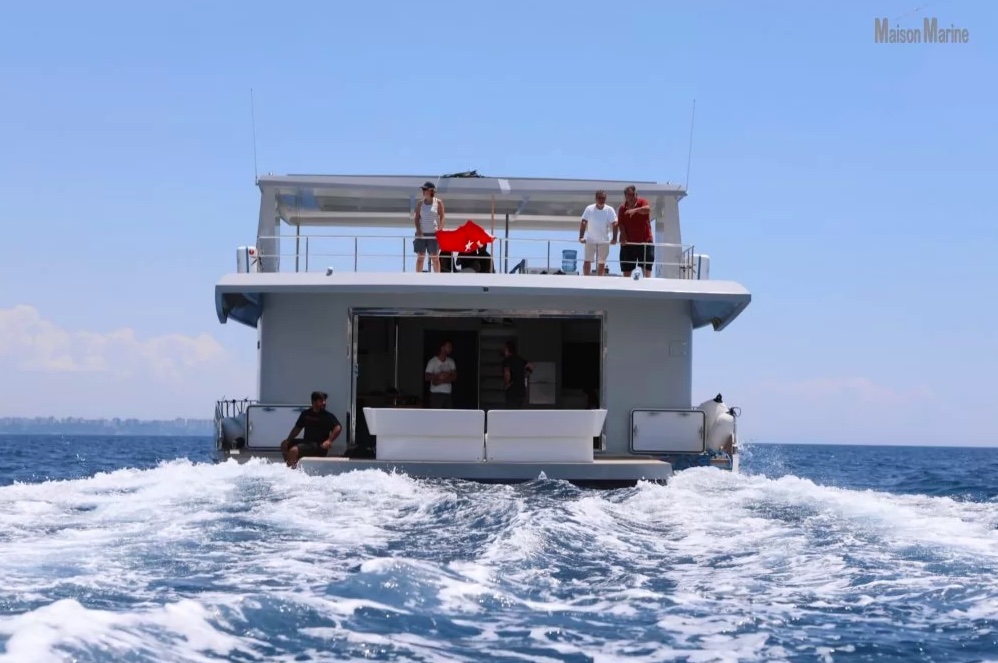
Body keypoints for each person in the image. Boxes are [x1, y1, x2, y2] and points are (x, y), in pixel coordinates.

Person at [280, 391, 342, 468]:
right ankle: (290, 466)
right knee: (284, 444)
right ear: (313, 402)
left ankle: (292, 472)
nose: (324, 403)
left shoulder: (327, 416)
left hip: (319, 446)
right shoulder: (305, 414)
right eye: (321, 401)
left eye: (324, 401)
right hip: (306, 443)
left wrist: (329, 441)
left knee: (293, 451)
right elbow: (297, 428)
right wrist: (288, 440)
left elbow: (338, 427)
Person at [578, 189, 618, 276]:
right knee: (587, 260)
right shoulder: (589, 209)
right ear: (595, 198)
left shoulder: (609, 209)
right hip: (590, 239)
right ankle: (586, 278)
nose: (601, 200)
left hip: (604, 240)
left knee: (602, 262)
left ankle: (600, 280)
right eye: (599, 198)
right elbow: (584, 222)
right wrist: (581, 237)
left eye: (603, 198)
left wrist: (614, 238)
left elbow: (615, 223)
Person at [618, 185, 654, 278]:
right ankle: (626, 286)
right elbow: (620, 224)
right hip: (629, 243)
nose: (631, 197)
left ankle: (647, 285)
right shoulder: (622, 208)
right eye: (628, 195)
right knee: (626, 270)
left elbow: (647, 209)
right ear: (625, 196)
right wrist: (623, 235)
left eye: (633, 194)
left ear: (636, 194)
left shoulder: (642, 202)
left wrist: (635, 210)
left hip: (645, 241)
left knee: (647, 268)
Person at [413, 181, 445, 273]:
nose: (423, 191)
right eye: (422, 189)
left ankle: (437, 277)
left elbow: (442, 217)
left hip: (433, 234)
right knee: (420, 257)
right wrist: (418, 230)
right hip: (422, 234)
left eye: (425, 189)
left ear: (431, 190)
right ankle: (418, 276)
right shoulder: (420, 203)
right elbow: (416, 218)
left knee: (435, 257)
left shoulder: (438, 202)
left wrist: (440, 230)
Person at [424, 339, 457, 408]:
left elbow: (454, 376)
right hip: (436, 393)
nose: (450, 349)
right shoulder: (433, 361)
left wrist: (442, 380)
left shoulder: (451, 361)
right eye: (448, 347)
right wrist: (438, 376)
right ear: (442, 348)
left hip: (447, 393)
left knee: (448, 413)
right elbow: (426, 377)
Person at [501, 339, 533, 408]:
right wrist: (525, 375)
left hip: (512, 391)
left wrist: (506, 384)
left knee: (511, 410)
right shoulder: (520, 359)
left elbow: (507, 373)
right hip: (521, 391)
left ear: (507, 349)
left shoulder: (507, 361)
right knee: (518, 409)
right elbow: (531, 365)